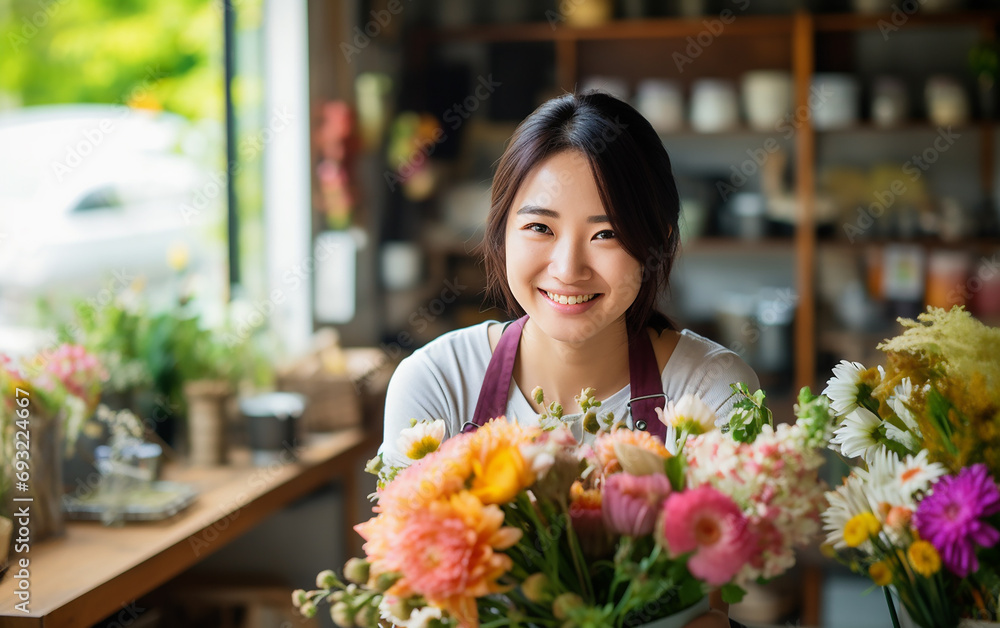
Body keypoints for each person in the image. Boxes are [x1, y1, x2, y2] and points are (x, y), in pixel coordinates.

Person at [380, 91, 758, 628]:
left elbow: (709, 616)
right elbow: (408, 600)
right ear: (501, 230)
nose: (568, 267)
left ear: (659, 241)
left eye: (606, 234)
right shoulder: (435, 383)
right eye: (540, 227)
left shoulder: (714, 391)